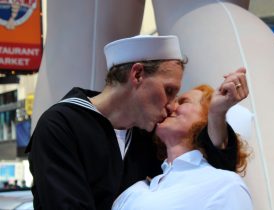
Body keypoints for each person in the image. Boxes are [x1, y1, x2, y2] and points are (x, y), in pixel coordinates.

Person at [25, 35, 248, 210]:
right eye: (168, 90)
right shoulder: (61, 126)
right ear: (138, 74)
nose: (171, 105)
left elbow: (212, 170)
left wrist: (217, 113)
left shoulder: (144, 135)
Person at [112, 83, 252, 210]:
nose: (170, 106)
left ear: (208, 120)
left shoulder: (225, 186)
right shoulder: (134, 191)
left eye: (183, 102)